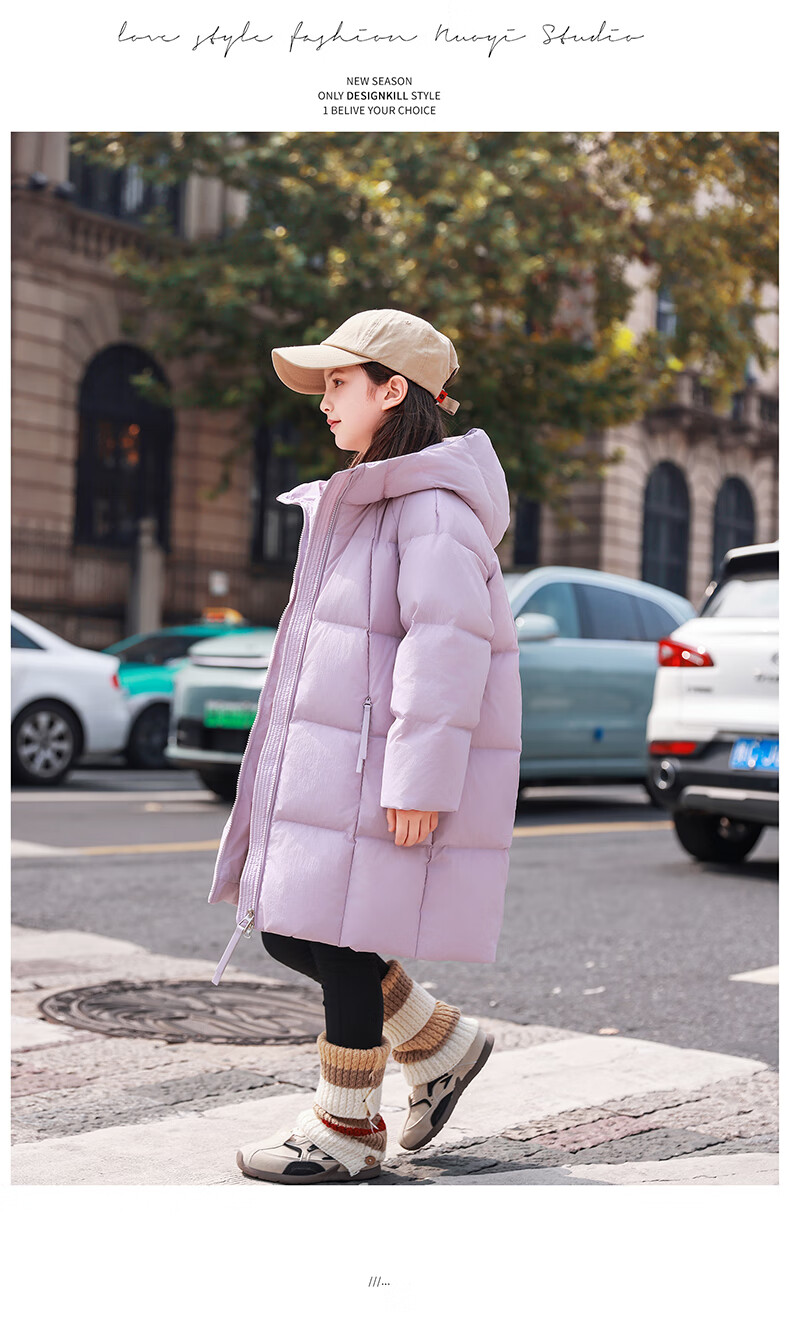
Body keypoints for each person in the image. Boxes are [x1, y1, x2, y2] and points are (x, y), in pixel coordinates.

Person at [207, 308, 522, 1183]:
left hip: (377, 767)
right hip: (336, 762)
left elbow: (445, 646)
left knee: (341, 936)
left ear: (393, 390)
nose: (324, 400)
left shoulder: (430, 508)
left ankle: (345, 1130)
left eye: (339, 382)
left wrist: (421, 779)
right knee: (289, 927)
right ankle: (440, 1043)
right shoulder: (370, 497)